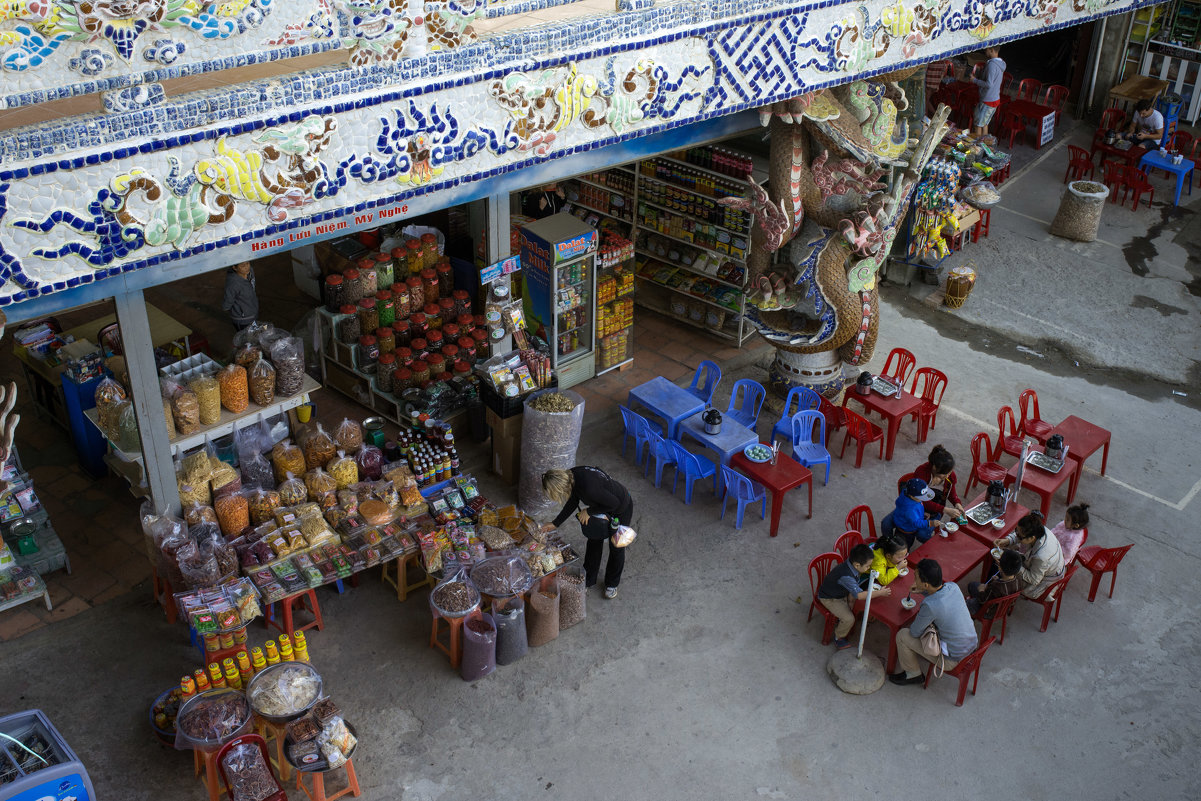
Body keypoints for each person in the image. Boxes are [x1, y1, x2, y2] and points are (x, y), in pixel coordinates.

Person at [543, 467, 632, 599]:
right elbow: (573, 500)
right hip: (602, 506)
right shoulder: (571, 477)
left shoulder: (589, 488)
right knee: (594, 539)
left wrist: (589, 511)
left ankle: (612, 584)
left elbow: (614, 503)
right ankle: (589, 579)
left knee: (617, 546)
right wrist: (556, 523)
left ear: (559, 488)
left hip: (621, 508)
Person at [889, 558, 978, 686]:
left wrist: (925, 596)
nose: (914, 579)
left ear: (926, 584)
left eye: (916, 577)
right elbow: (940, 600)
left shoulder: (930, 605)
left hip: (952, 660)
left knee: (903, 635)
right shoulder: (953, 586)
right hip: (972, 647)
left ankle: (913, 674)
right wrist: (924, 591)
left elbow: (914, 632)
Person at [817, 544, 891, 650]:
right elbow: (860, 596)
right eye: (867, 566)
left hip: (840, 592)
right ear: (857, 565)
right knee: (849, 619)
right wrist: (880, 593)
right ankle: (839, 637)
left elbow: (854, 590)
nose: (869, 568)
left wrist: (851, 600)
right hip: (830, 598)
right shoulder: (846, 576)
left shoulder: (851, 565)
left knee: (854, 604)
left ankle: (841, 619)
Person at [994, 511, 1066, 599]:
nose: (1017, 535)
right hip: (1042, 568)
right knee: (1006, 559)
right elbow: (1021, 535)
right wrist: (1008, 540)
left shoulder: (1041, 557)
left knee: (1006, 569)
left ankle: (997, 598)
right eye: (1016, 531)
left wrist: (1015, 566)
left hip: (1043, 583)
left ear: (1032, 538)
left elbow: (1034, 580)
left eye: (1020, 537)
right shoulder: (1039, 529)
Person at [881, 477, 942, 548]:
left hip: (901, 519)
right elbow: (916, 523)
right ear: (911, 496)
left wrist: (921, 513)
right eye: (921, 497)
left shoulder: (905, 492)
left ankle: (890, 542)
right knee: (904, 548)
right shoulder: (910, 509)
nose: (922, 499)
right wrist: (931, 523)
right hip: (907, 531)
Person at [912, 444, 965, 520]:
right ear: (935, 467)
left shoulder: (950, 475)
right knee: (921, 531)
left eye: (950, 472)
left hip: (937, 509)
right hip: (918, 506)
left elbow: (951, 493)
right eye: (945, 474)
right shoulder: (922, 473)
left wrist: (957, 503)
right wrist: (945, 509)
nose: (947, 476)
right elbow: (920, 499)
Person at [966, 549, 1022, 616]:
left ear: (1000, 568)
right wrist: (997, 579)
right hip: (1003, 608)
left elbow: (983, 600)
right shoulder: (1019, 581)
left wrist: (981, 590)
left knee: (965, 602)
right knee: (972, 585)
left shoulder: (995, 586)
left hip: (988, 611)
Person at [970, 46, 1005, 137]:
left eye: (986, 49)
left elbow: (989, 84)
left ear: (992, 50)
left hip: (987, 100)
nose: (985, 50)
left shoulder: (992, 65)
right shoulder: (1000, 63)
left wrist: (974, 80)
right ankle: (984, 146)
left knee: (978, 125)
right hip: (994, 98)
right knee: (984, 124)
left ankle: (977, 148)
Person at [222, 260, 258, 331]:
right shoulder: (233, 283)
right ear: (234, 268)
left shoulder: (250, 272)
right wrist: (240, 310)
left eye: (247, 263)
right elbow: (226, 305)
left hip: (253, 312)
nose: (246, 267)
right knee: (246, 339)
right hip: (243, 320)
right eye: (242, 266)